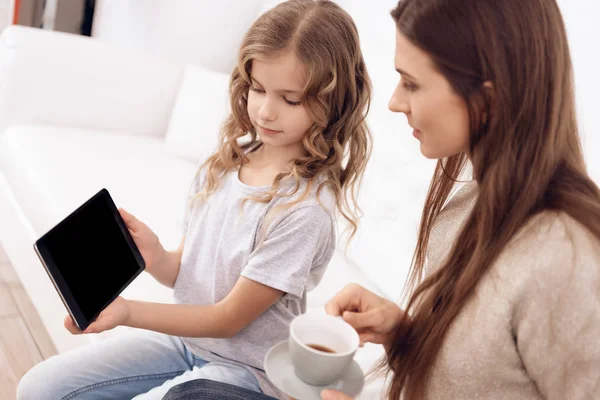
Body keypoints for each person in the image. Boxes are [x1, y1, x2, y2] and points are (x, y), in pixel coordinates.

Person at [17, 1, 372, 399]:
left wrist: (129, 312)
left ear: (333, 100)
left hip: (248, 372)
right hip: (186, 344)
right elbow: (190, 281)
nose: (266, 111)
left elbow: (227, 319)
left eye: (290, 99)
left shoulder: (304, 210)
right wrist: (158, 259)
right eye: (258, 89)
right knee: (39, 388)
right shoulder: (224, 165)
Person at [321, 0, 600, 399]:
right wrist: (403, 334)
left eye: (412, 83)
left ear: (486, 101)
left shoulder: (565, 262)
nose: (395, 102)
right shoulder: (472, 200)